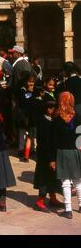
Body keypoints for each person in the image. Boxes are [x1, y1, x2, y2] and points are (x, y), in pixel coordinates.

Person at [50, 91, 81, 219]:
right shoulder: (78, 117)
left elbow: (53, 140)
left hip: (62, 152)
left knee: (66, 182)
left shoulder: (56, 119)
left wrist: (52, 159)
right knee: (78, 180)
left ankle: (68, 210)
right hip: (75, 151)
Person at [33, 95, 63, 212]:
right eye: (51, 108)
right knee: (44, 177)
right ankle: (40, 200)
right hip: (45, 155)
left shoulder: (52, 120)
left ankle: (52, 197)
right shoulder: (43, 121)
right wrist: (51, 159)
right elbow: (45, 142)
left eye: (54, 107)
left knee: (52, 177)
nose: (53, 110)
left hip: (52, 153)